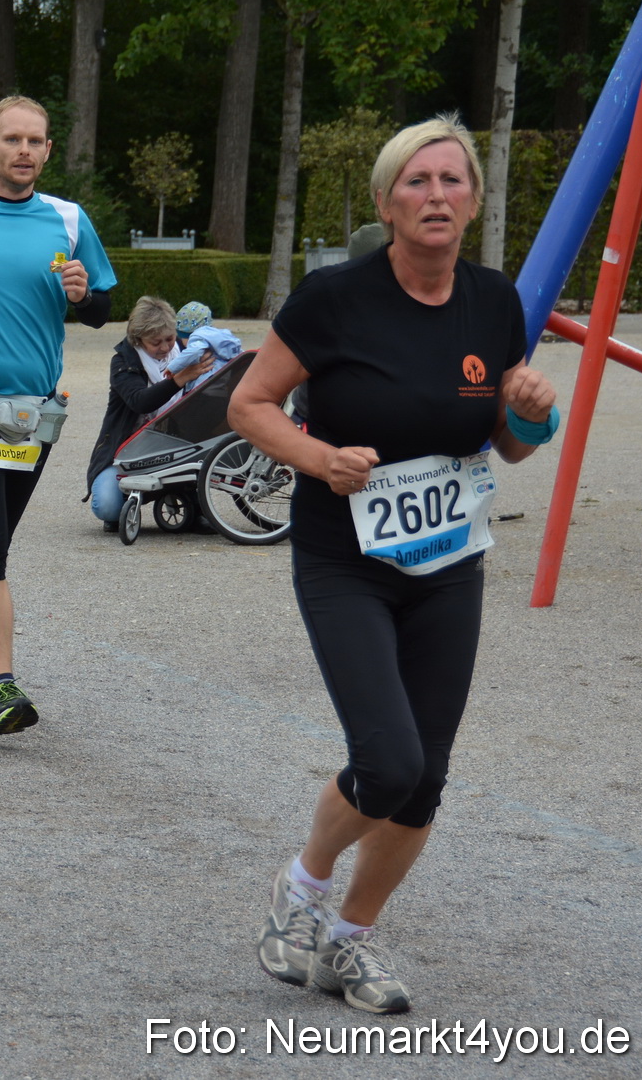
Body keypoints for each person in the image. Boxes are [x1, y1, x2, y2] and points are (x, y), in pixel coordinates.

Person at [230, 115, 559, 1014]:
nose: (437, 196)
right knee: (388, 759)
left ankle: (351, 941)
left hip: (450, 560)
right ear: (386, 201)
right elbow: (249, 403)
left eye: (453, 181)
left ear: (475, 202)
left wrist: (532, 411)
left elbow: (509, 445)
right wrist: (317, 455)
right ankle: (300, 887)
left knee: (429, 775)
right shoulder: (334, 299)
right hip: (347, 559)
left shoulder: (495, 303)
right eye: (417, 182)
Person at [0, 94, 115, 734]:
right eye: (12, 140)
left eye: (35, 142)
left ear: (48, 151)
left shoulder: (67, 219)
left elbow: (101, 309)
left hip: (34, 412)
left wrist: (84, 295)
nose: (24, 151)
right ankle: (3, 686)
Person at [84, 297, 215, 530]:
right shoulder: (124, 361)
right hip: (124, 452)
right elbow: (140, 401)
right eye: (156, 342)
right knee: (107, 507)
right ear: (138, 339)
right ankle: (132, 497)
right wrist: (179, 379)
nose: (165, 348)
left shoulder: (184, 352)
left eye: (169, 339)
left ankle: (183, 497)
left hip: (172, 447)